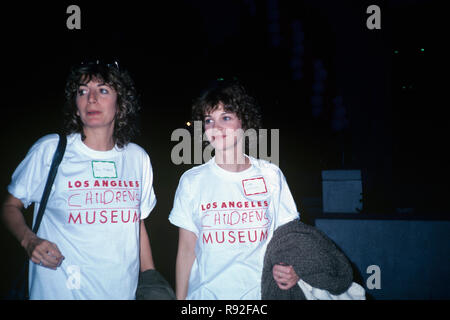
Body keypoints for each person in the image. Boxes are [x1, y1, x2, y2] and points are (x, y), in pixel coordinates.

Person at [1, 59, 157, 299]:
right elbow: (10, 206)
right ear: (75, 104)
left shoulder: (137, 158)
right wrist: (29, 240)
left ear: (121, 103)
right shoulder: (51, 150)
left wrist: (151, 277)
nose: (91, 99)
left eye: (102, 90)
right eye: (82, 91)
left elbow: (137, 223)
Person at [169, 79, 301, 299]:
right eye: (209, 120)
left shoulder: (270, 175)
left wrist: (295, 270)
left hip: (260, 295)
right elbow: (186, 251)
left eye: (226, 118)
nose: (215, 127)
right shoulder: (192, 181)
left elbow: (291, 238)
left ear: (244, 122)